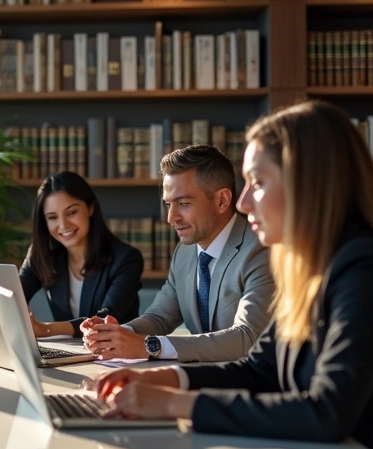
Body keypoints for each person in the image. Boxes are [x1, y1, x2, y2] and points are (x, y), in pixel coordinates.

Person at [93, 100, 373, 449]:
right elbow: (259, 370)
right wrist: (163, 378)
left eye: (257, 183)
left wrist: (176, 405)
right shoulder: (311, 268)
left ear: (307, 182)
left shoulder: (367, 270)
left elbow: (327, 411)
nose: (242, 203)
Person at [83, 145, 274, 363]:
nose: (171, 218)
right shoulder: (185, 252)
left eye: (183, 203)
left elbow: (248, 337)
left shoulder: (260, 250)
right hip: (201, 380)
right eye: (168, 204)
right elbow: (159, 317)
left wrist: (149, 346)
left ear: (222, 200)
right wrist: (113, 335)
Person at [19, 171, 143, 338]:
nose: (63, 225)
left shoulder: (127, 260)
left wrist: (46, 329)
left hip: (115, 356)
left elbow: (104, 320)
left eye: (71, 212)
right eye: (52, 217)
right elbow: (13, 296)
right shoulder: (42, 254)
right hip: (67, 355)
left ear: (90, 207)